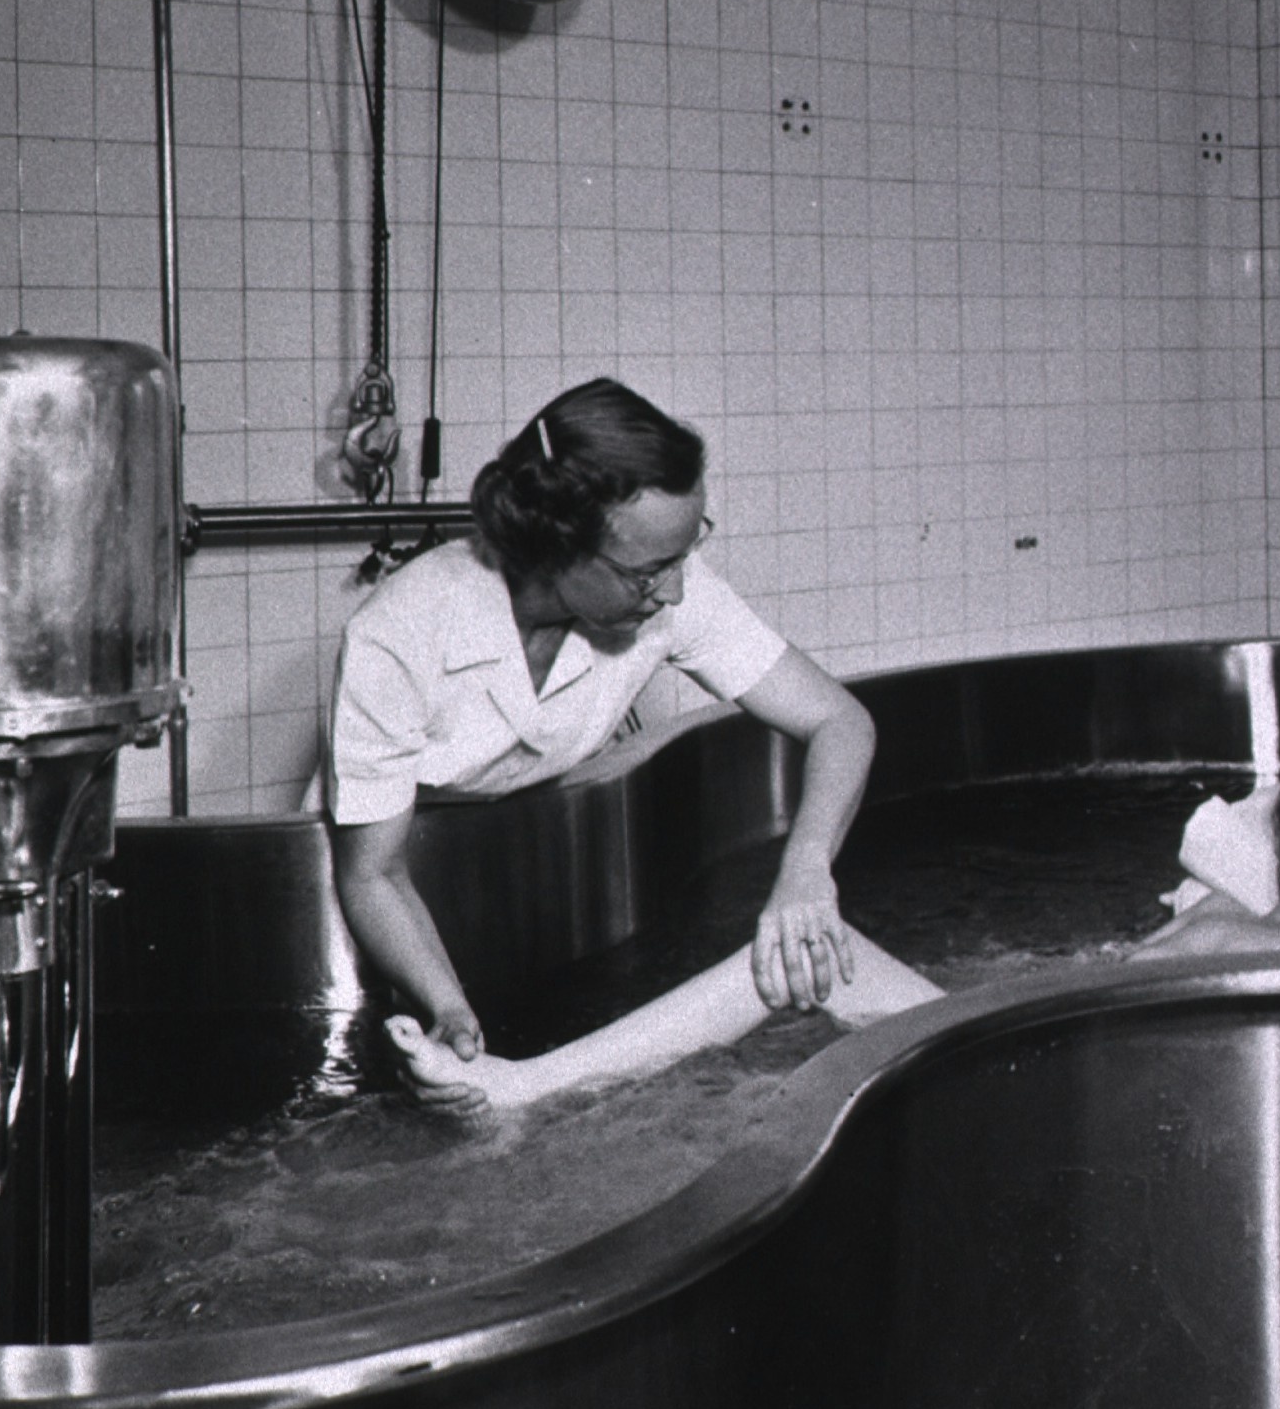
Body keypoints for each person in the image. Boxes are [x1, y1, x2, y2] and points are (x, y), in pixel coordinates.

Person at [389, 737, 1280, 1118]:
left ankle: (523, 1087)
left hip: (1078, 1079)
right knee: (800, 955)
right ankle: (524, 1082)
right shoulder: (1227, 901)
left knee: (809, 972)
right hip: (1033, 1033)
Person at [328, 379, 875, 1107]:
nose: (675, 593)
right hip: (391, 915)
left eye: (687, 551)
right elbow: (374, 875)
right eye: (648, 573)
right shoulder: (400, 632)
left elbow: (841, 720)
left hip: (528, 882)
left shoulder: (665, 592)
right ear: (557, 544)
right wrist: (449, 1008)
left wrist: (806, 868)